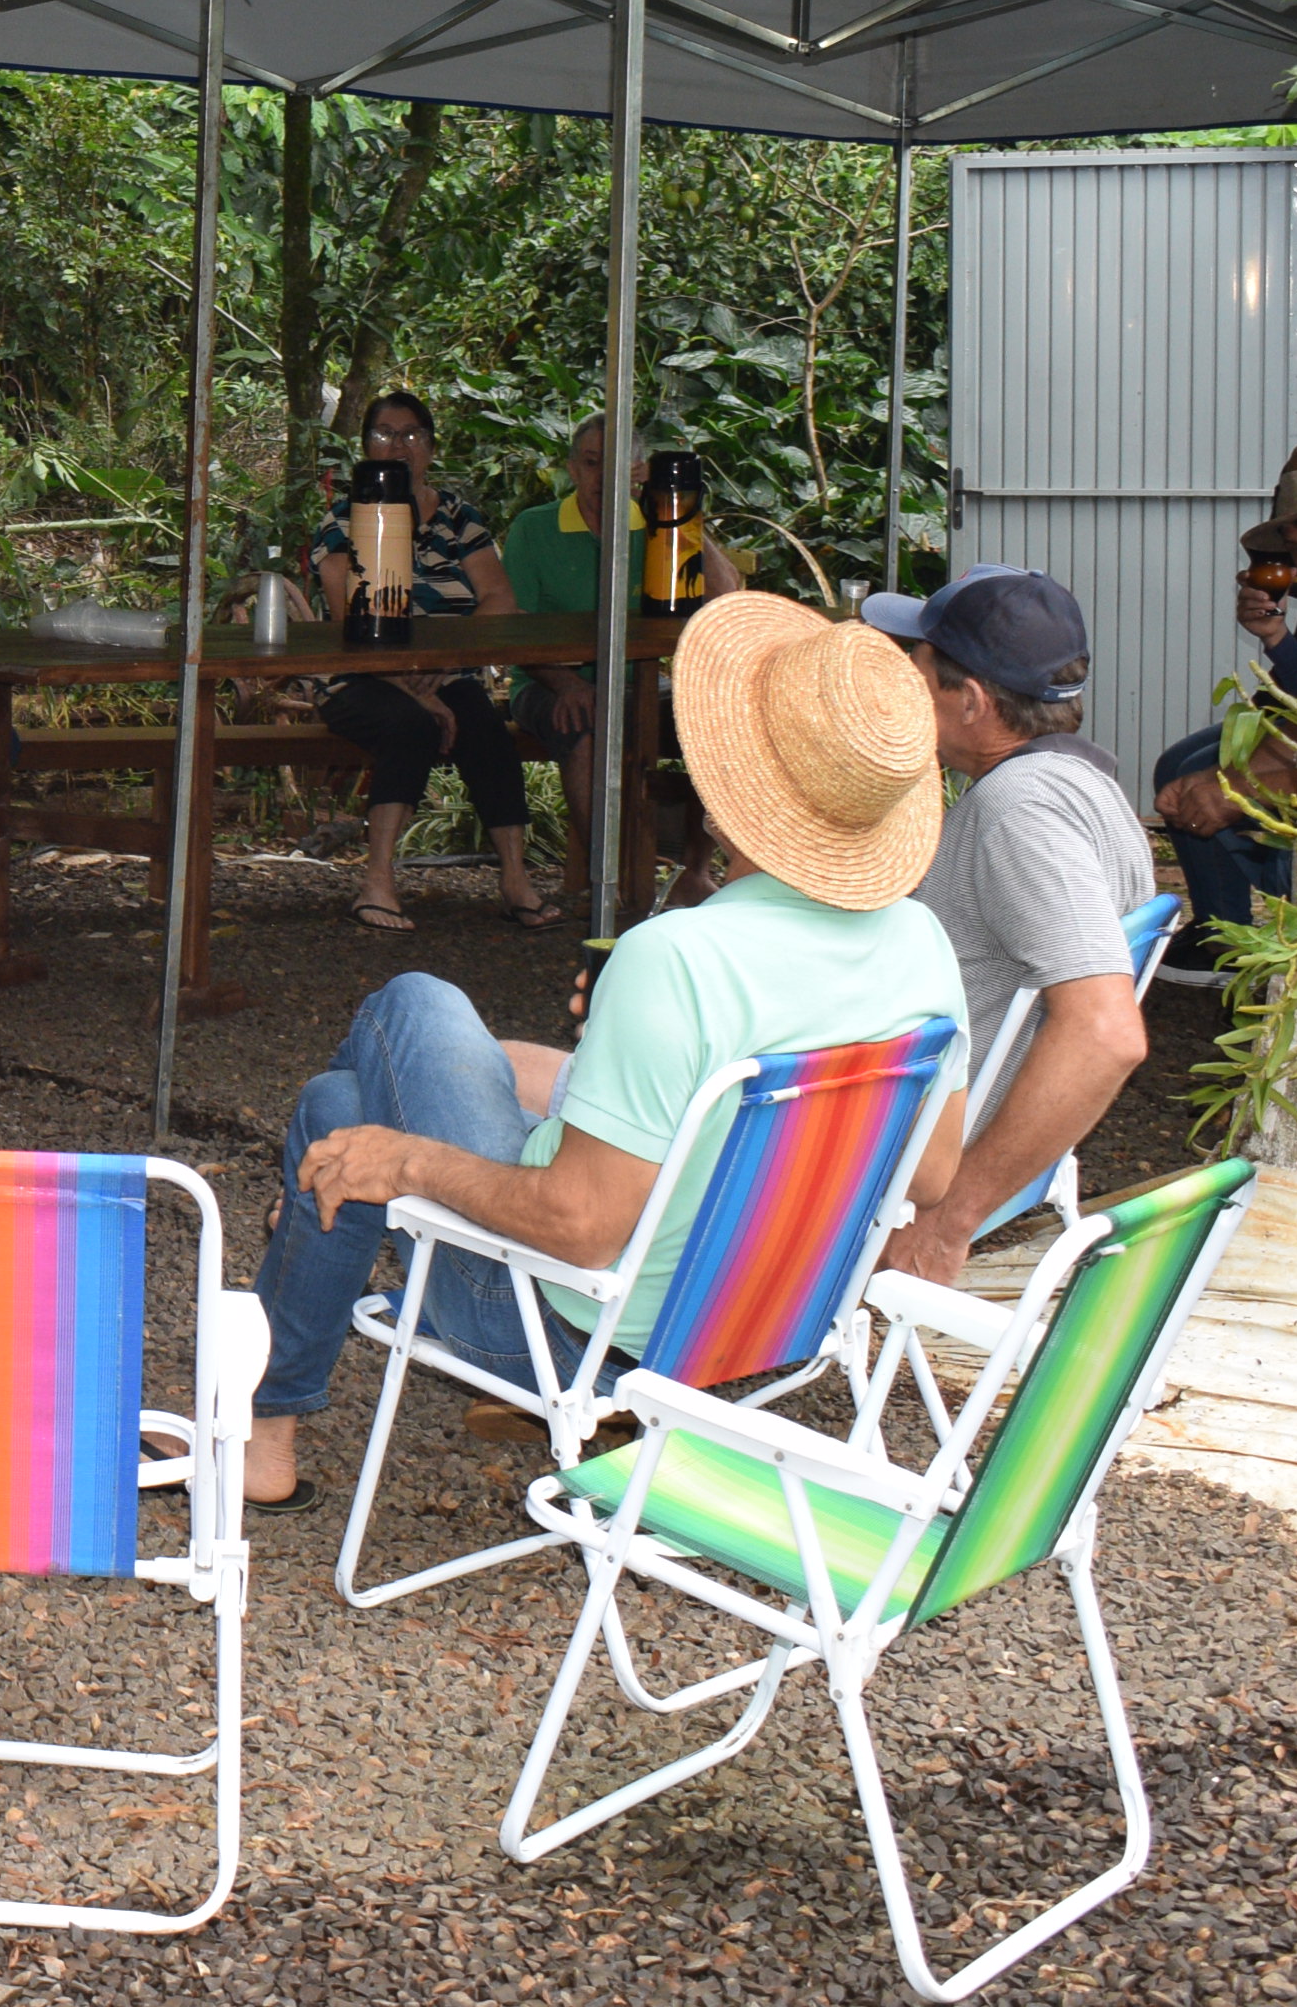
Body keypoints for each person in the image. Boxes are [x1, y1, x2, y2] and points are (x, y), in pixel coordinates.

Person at [237, 593, 964, 1508]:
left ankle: (277, 1346)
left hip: (569, 1333)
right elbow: (931, 1176)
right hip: (767, 1322)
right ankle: (268, 1426)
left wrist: (406, 1157)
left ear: (725, 777)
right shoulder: (920, 947)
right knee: (343, 1110)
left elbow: (580, 1225)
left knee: (405, 1017)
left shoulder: (681, 958)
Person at [858, 568, 1153, 1281]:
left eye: (917, 672)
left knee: (552, 1093)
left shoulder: (1019, 811)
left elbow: (1106, 1033)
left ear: (971, 702)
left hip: (896, 1155)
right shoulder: (1087, 787)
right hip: (942, 1120)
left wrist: (948, 1219)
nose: (903, 686)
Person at [304, 392, 559, 934]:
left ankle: (515, 880)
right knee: (410, 726)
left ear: (431, 447)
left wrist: (441, 669)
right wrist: (413, 687)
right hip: (361, 676)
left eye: (411, 434)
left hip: (446, 672)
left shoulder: (457, 518)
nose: (398, 445)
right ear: (365, 446)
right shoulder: (344, 517)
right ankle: (377, 881)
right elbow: (346, 605)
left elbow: (499, 598)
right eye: (384, 434)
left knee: (487, 730)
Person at [495, 409, 747, 911]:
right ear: (571, 467)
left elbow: (725, 596)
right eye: (590, 464)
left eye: (616, 468)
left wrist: (670, 507)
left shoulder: (656, 522)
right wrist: (566, 683)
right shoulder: (534, 528)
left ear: (636, 471)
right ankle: (607, 880)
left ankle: (693, 872)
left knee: (718, 720)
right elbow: (513, 628)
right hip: (548, 683)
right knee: (585, 723)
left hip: (641, 684)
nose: (601, 479)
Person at [1145, 457, 1297, 979]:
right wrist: (1276, 637)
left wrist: (1240, 783)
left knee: (1216, 779)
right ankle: (1220, 929)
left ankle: (1252, 943)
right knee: (1182, 767)